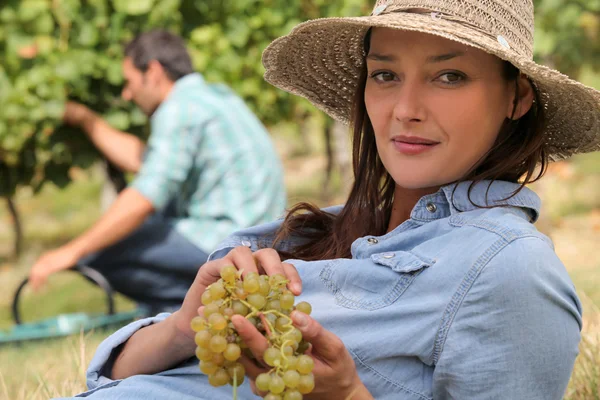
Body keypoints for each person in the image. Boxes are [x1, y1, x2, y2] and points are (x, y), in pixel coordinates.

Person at [58, 0, 600, 399]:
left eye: (449, 75)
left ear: (517, 96)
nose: (404, 108)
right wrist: (181, 329)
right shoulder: (319, 232)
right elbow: (118, 375)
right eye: (385, 74)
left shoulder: (511, 270)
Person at [29, 30, 287, 313]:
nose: (127, 94)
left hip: (226, 241)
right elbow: (145, 159)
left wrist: (72, 251)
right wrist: (86, 120)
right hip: (262, 237)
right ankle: (202, 304)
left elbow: (145, 195)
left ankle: (187, 310)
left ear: (152, 71)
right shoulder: (213, 96)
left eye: (129, 82)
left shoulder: (179, 109)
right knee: (127, 235)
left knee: (99, 254)